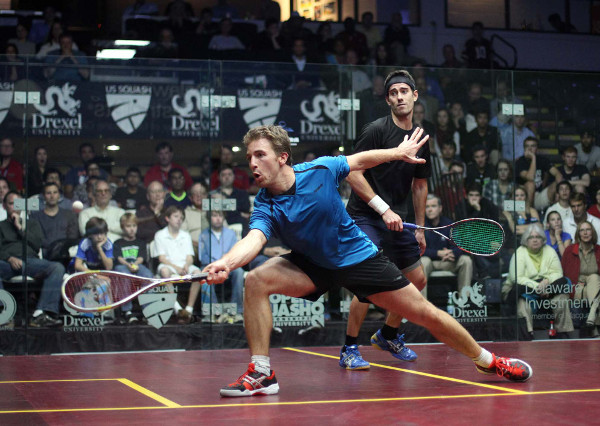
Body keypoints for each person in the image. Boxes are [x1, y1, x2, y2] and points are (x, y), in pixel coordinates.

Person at [202, 124, 532, 398]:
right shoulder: (265, 203)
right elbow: (254, 239)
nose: (252, 163)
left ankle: (489, 361)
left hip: (358, 259)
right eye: (249, 157)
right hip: (312, 265)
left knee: (425, 313)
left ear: (282, 157)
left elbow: (359, 160)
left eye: (260, 155)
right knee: (256, 280)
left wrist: (397, 153)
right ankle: (262, 373)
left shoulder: (320, 169)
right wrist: (226, 263)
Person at [341, 69, 429, 369]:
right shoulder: (375, 131)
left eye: (404, 91)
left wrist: (420, 228)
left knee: (417, 279)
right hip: (365, 215)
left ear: (414, 96)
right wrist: (383, 209)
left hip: (397, 219)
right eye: (393, 93)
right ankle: (349, 348)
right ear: (388, 100)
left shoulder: (420, 137)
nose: (399, 97)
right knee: (369, 281)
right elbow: (352, 173)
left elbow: (420, 185)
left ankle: (388, 334)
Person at [0, 192, 64, 327]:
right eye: (11, 204)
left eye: (18, 204)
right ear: (4, 206)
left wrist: (20, 228)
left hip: (30, 262)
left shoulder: (32, 224)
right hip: (6, 263)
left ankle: (41, 313)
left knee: (57, 267)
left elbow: (36, 245)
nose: (15, 207)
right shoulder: (1, 226)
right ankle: (3, 313)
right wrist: (9, 258)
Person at [501, 223, 574, 340]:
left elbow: (558, 273)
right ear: (526, 240)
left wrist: (547, 281)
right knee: (523, 303)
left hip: (547, 288)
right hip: (523, 289)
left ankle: (563, 333)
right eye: (531, 237)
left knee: (561, 298)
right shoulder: (519, 253)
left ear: (543, 239)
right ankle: (527, 334)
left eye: (538, 237)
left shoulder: (549, 251)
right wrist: (538, 286)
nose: (535, 240)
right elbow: (517, 278)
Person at [154, 205, 202, 324]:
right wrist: (177, 268)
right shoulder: (160, 235)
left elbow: (190, 257)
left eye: (181, 218)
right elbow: (161, 258)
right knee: (164, 271)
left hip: (184, 266)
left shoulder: (186, 235)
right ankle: (177, 308)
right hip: (169, 265)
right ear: (167, 218)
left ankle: (189, 309)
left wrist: (186, 265)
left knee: (198, 273)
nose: (179, 220)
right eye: (176, 216)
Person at [199, 210, 244, 323]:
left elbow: (235, 253)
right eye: (214, 216)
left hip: (228, 266)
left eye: (220, 215)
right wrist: (215, 264)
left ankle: (237, 311)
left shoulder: (231, 233)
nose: (218, 218)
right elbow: (202, 257)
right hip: (210, 266)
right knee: (203, 274)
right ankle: (212, 312)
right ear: (209, 218)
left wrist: (225, 263)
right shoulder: (203, 235)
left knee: (239, 272)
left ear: (224, 217)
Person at [421, 195, 473, 292]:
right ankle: (420, 301)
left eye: (433, 206)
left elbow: (459, 246)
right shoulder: (420, 226)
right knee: (423, 261)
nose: (430, 210)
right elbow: (416, 250)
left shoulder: (449, 224)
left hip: (447, 262)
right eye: (427, 207)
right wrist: (438, 253)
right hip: (430, 263)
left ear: (440, 208)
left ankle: (464, 299)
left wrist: (452, 253)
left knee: (466, 260)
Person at [113, 212, 154, 323]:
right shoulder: (118, 243)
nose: (132, 229)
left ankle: (149, 310)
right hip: (123, 266)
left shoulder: (141, 242)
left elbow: (141, 257)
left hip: (137, 265)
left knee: (148, 275)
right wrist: (128, 265)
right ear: (122, 227)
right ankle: (127, 311)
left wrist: (135, 264)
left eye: (134, 226)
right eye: (128, 226)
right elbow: (119, 258)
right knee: (124, 274)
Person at [561, 221, 600, 337]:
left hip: (595, 286)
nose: (585, 233)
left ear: (592, 232)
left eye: (588, 230)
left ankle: (591, 319)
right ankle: (593, 325)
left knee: (594, 278)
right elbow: (563, 272)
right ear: (578, 234)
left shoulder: (599, 250)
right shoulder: (569, 250)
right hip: (577, 287)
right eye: (582, 230)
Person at [32, 182, 80, 262]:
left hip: (66, 255)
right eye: (48, 193)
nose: (52, 196)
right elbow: (37, 239)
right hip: (44, 256)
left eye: (55, 192)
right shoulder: (35, 217)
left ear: (59, 195)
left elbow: (72, 237)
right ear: (43, 196)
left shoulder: (70, 215)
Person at [516, 136, 563, 212]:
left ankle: (557, 211)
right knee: (531, 184)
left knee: (556, 184)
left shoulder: (543, 160)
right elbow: (530, 178)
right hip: (524, 199)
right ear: (524, 148)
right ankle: (529, 213)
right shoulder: (520, 162)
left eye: (533, 146)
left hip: (539, 196)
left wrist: (558, 192)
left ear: (537, 148)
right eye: (527, 146)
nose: (530, 149)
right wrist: (533, 158)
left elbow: (558, 174)